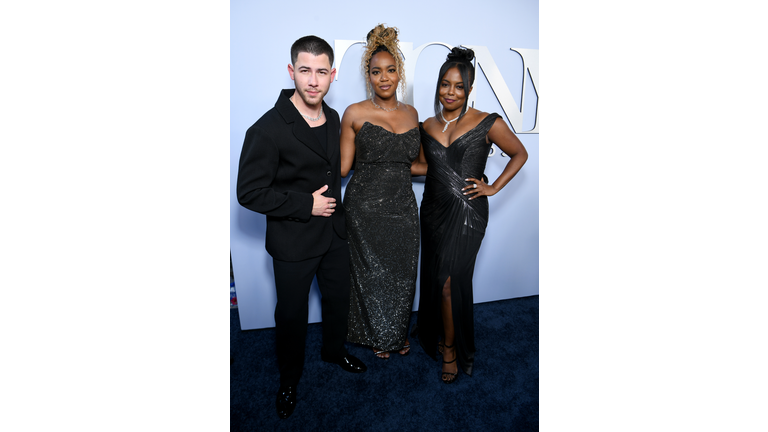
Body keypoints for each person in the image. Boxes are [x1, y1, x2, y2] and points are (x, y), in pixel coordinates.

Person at [236, 35, 367, 420]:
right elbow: (249, 193)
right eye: (305, 70)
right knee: (291, 316)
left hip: (335, 236)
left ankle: (333, 350)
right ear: (292, 71)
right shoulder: (267, 128)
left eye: (321, 71)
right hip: (293, 240)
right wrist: (304, 204)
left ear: (332, 75)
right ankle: (289, 379)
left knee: (337, 301)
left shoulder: (334, 117)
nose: (313, 80)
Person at [413, 47, 528, 384]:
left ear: (470, 89)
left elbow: (519, 153)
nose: (450, 92)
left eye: (459, 86)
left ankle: (450, 348)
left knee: (450, 284)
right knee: (436, 279)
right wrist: (388, 166)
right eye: (445, 85)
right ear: (438, 86)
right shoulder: (427, 125)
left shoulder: (486, 121)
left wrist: (493, 188)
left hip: (467, 213)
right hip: (433, 211)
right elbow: (423, 166)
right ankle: (439, 331)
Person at [339, 24, 421, 360]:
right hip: (365, 209)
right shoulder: (355, 113)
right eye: (376, 72)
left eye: (390, 70)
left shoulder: (412, 114)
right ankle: (378, 335)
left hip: (403, 207)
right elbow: (343, 168)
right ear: (368, 76)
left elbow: (416, 165)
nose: (383, 78)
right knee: (371, 276)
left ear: (399, 73)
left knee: (402, 274)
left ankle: (395, 332)